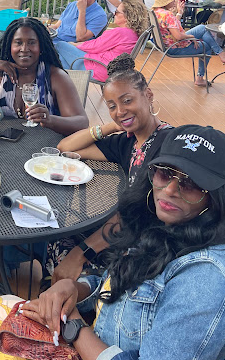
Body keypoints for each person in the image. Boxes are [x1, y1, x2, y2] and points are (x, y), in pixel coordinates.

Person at [0, 124, 225, 360]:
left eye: (190, 184)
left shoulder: (205, 278)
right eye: (164, 173)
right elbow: (120, 288)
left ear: (214, 197)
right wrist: (74, 289)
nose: (169, 189)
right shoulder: (159, 224)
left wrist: (74, 325)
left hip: (88, 342)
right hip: (94, 338)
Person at [50, 55, 173, 283]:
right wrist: (111, 126)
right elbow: (65, 147)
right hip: (127, 233)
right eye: (112, 106)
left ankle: (76, 305)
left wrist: (82, 254)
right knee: (57, 238)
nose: (120, 110)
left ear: (148, 95)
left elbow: (135, 215)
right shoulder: (129, 142)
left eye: (127, 101)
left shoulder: (167, 143)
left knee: (67, 253)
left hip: (151, 248)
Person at [0, 17, 88, 136]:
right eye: (18, 42)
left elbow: (82, 122)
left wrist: (50, 120)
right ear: (9, 46)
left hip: (46, 147)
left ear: (41, 47)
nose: (25, 49)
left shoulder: (55, 77)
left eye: (32, 42)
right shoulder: (0, 78)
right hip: (3, 147)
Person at [54, 0, 149, 82]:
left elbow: (95, 46)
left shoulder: (121, 32)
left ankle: (59, 88)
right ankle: (68, 88)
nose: (114, 14)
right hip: (109, 69)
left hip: (99, 69)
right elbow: (97, 45)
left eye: (117, 12)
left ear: (127, 17)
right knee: (60, 60)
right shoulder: (132, 33)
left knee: (59, 45)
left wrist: (74, 45)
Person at [153, 0, 225, 88]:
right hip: (176, 47)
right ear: (167, 1)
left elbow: (171, 28)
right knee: (207, 45)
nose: (175, 1)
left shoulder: (157, 13)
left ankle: (219, 52)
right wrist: (190, 37)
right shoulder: (168, 15)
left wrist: (179, 13)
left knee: (201, 28)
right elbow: (177, 36)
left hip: (168, 44)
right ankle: (201, 76)